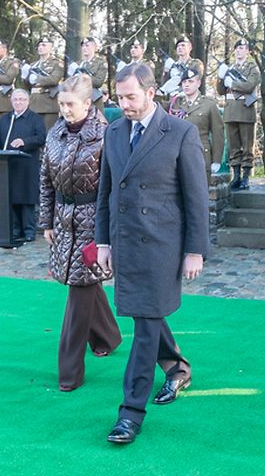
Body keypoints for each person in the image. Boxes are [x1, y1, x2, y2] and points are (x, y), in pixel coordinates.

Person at [95, 63, 209, 445]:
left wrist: (195, 250)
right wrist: (104, 243)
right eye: (119, 96)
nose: (124, 104)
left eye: (130, 96)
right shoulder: (112, 132)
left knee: (144, 327)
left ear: (151, 91)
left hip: (163, 247)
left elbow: (196, 198)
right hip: (125, 242)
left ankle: (130, 413)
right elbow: (105, 194)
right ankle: (177, 368)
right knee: (148, 314)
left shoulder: (180, 132)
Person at [39, 73, 122, 391]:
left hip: (93, 221)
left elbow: (113, 187)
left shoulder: (107, 135)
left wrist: (108, 233)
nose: (65, 110)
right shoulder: (55, 132)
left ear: (88, 103)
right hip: (63, 219)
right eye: (61, 104)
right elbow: (45, 178)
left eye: (70, 104)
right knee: (85, 284)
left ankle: (69, 372)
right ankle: (109, 336)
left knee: (79, 288)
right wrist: (46, 221)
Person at [0, 89, 46, 242]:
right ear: (11, 102)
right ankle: (15, 229)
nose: (18, 102)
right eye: (15, 100)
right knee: (11, 197)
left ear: (27, 101)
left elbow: (41, 137)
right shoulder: (5, 119)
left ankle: (29, 231)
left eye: (21, 99)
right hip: (8, 166)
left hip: (27, 165)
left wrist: (24, 142)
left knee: (26, 198)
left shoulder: (35, 118)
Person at [216, 38, 260, 190]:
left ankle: (246, 176)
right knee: (234, 146)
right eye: (238, 48)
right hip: (230, 110)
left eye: (243, 48)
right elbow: (221, 91)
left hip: (245, 109)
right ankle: (236, 176)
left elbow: (250, 85)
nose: (239, 50)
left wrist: (232, 83)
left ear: (247, 52)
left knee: (247, 145)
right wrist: (220, 78)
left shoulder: (251, 67)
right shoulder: (230, 68)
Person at [168, 66, 225, 176]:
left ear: (198, 83)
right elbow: (156, 107)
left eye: (190, 81)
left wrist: (216, 160)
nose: (186, 84)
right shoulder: (176, 103)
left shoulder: (209, 104)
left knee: (200, 191)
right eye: (184, 82)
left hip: (201, 155)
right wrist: (162, 91)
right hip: (178, 156)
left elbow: (218, 133)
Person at [23, 38, 66, 130]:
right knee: (33, 133)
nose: (40, 47)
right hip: (34, 103)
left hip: (48, 104)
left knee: (48, 133)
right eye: (39, 45)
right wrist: (24, 77)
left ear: (50, 48)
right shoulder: (33, 65)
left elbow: (54, 79)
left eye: (44, 45)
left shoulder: (57, 63)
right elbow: (27, 86)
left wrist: (37, 80)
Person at [70, 37, 109, 112]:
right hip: (79, 99)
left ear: (94, 47)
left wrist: (83, 77)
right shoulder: (78, 64)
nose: (84, 48)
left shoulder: (100, 63)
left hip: (94, 99)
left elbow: (98, 82)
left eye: (87, 46)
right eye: (83, 46)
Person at [159, 35, 201, 99]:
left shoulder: (195, 63)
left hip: (187, 98)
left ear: (190, 47)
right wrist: (166, 71)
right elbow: (164, 83)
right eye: (178, 46)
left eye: (183, 45)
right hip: (170, 99)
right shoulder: (172, 65)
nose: (180, 47)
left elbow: (195, 80)